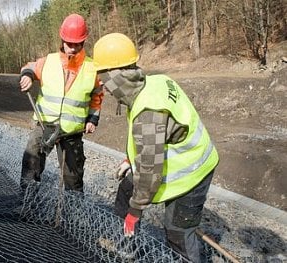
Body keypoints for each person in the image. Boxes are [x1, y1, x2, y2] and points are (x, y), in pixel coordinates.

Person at [93, 33, 219, 263]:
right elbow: (150, 139)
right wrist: (130, 160)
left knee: (178, 233)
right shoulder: (153, 82)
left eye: (103, 76)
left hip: (192, 171)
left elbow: (150, 172)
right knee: (126, 189)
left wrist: (135, 211)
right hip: (172, 160)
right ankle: (127, 246)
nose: (101, 83)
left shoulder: (147, 113)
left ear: (118, 74)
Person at [18, 13, 104, 192]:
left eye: (77, 44)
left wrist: (92, 119)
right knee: (31, 163)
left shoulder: (92, 68)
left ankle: (73, 214)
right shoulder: (47, 61)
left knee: (73, 178)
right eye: (69, 43)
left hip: (72, 132)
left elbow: (97, 96)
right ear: (62, 40)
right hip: (45, 125)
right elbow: (29, 68)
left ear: (83, 42)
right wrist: (27, 76)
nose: (72, 48)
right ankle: (26, 206)